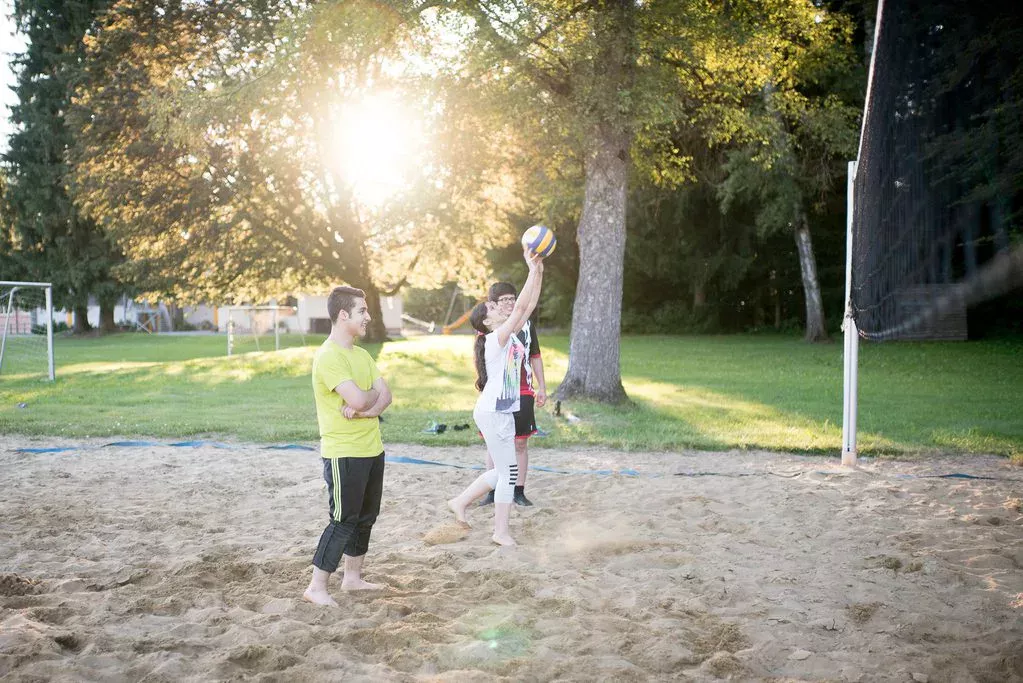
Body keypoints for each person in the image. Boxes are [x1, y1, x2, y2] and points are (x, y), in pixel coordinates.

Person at [448, 248, 544, 546]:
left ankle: (460, 501)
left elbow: (527, 306)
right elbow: (518, 309)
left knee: (505, 471)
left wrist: (538, 271)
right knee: (508, 474)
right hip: (492, 412)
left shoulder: (509, 333)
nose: (497, 308)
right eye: (491, 308)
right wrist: (529, 269)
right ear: (486, 321)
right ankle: (500, 532)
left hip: (497, 411)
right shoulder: (494, 339)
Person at [303, 286, 392, 606]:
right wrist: (366, 398)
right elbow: (362, 396)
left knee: (366, 516)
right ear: (343, 315)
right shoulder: (329, 356)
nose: (368, 317)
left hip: (372, 448)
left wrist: (364, 409)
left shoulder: (362, 355)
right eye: (362, 311)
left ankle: (352, 579)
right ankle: (316, 587)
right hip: (344, 453)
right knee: (343, 520)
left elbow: (386, 396)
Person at [479, 281, 547, 507]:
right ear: (493, 305)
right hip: (498, 395)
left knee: (520, 444)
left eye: (512, 298)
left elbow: (535, 356)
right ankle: (493, 489)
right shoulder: (490, 328)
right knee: (494, 444)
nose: (509, 303)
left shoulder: (525, 325)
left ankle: (518, 490)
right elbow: (481, 358)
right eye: (504, 299)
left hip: (523, 391)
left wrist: (542, 387)